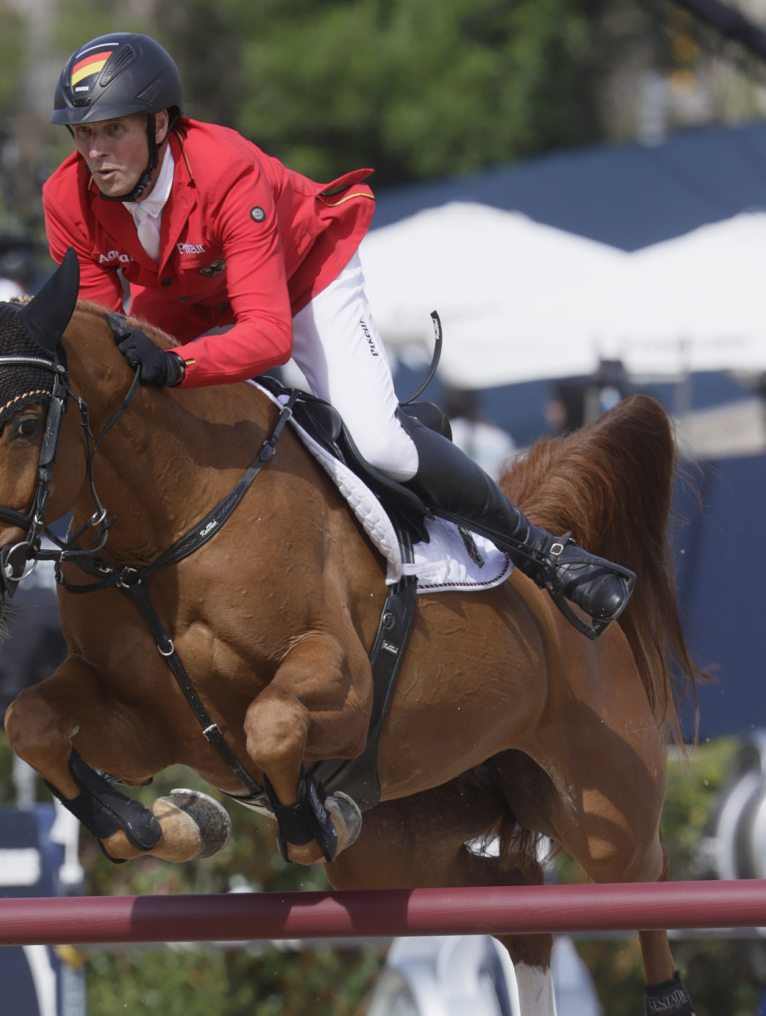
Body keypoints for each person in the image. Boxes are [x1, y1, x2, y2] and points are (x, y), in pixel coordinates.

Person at [43, 32, 633, 633]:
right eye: (84, 134)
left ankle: (543, 552)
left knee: (379, 445)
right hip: (186, 293)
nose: (95, 152)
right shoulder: (66, 197)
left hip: (303, 279)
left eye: (113, 130)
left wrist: (177, 367)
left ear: (161, 123)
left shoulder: (228, 171)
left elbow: (268, 336)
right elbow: (100, 330)